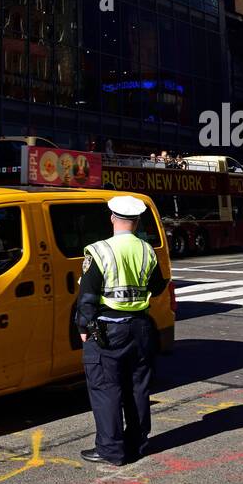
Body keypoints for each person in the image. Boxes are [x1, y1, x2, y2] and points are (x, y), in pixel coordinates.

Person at [76, 194, 170, 466]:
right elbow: (159, 285)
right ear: (137, 221)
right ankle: (138, 443)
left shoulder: (98, 250)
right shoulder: (147, 250)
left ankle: (110, 450)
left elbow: (88, 295)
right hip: (140, 328)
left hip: (107, 329)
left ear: (112, 218)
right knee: (137, 388)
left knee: (106, 389)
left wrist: (84, 327)